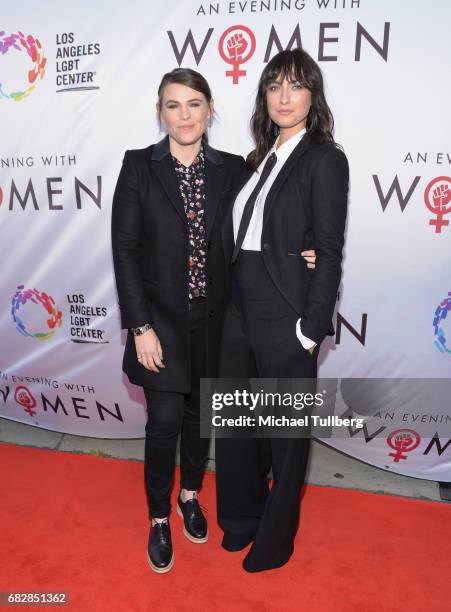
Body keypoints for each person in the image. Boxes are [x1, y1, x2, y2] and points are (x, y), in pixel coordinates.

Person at [111, 66, 319, 573]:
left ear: (210, 109)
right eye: (173, 105)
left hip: (217, 322)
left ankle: (189, 496)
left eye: (194, 104)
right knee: (162, 423)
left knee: (199, 420)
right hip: (158, 325)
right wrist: (140, 329)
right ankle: (159, 518)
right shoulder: (139, 166)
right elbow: (125, 250)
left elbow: (269, 217)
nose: (185, 115)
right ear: (160, 113)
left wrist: (304, 251)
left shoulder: (233, 169)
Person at [215, 48, 349, 573]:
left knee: (285, 435)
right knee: (238, 426)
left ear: (312, 96)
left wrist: (312, 328)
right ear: (264, 98)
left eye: (296, 85)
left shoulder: (324, 158)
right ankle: (241, 520)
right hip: (238, 309)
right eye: (275, 86)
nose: (285, 96)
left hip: (285, 312)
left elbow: (331, 249)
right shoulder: (259, 159)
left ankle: (273, 541)